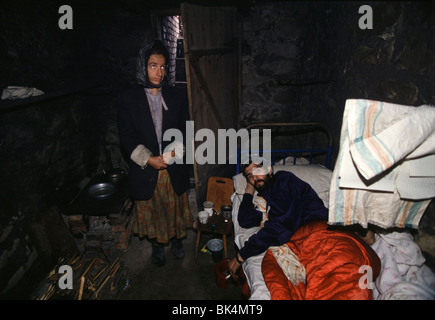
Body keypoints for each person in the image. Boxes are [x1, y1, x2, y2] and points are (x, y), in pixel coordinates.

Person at [117, 40, 193, 267]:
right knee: (154, 210)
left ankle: (178, 240)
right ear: (143, 67)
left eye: (162, 66)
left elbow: (185, 130)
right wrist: (148, 159)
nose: (158, 72)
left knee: (174, 208)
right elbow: (127, 136)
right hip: (146, 167)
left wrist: (170, 156)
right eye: (152, 65)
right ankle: (158, 245)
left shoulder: (177, 96)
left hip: (172, 165)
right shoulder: (128, 99)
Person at [228, 158, 328, 277]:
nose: (254, 177)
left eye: (257, 170)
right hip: (300, 240)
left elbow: (282, 226)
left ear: (269, 170)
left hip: (319, 231)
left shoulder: (283, 181)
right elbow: (245, 220)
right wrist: (249, 191)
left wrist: (241, 255)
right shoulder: (263, 199)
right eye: (250, 175)